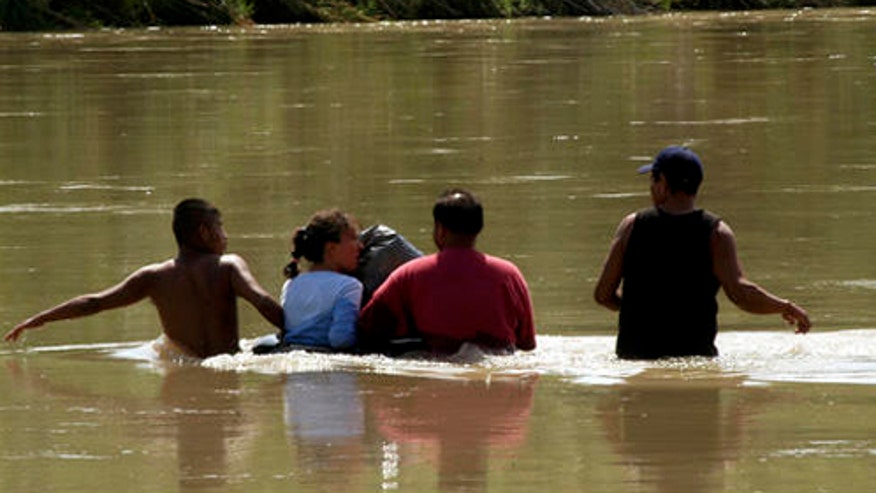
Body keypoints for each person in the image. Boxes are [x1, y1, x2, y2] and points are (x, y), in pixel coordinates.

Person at [594, 146, 811, 360]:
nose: (650, 187)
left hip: (636, 360)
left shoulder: (632, 226)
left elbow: (602, 295)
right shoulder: (717, 233)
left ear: (663, 183)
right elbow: (741, 294)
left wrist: (642, 308)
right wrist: (785, 306)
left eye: (653, 179)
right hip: (693, 359)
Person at [4, 198, 283, 359]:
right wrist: (300, 332)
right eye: (220, 228)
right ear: (204, 232)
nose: (226, 236)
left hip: (183, 363)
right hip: (228, 362)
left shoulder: (154, 277)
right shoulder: (229, 265)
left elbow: (94, 303)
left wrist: (39, 318)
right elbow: (261, 301)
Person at [357, 189, 537, 355]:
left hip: (436, 363)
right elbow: (527, 343)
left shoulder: (409, 274)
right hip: (500, 368)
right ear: (479, 228)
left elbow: (368, 326)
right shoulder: (509, 274)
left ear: (440, 230)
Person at [277, 209, 363, 352]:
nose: (361, 246)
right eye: (354, 239)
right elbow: (340, 339)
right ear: (331, 248)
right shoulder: (349, 286)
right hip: (326, 364)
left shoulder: (291, 284)